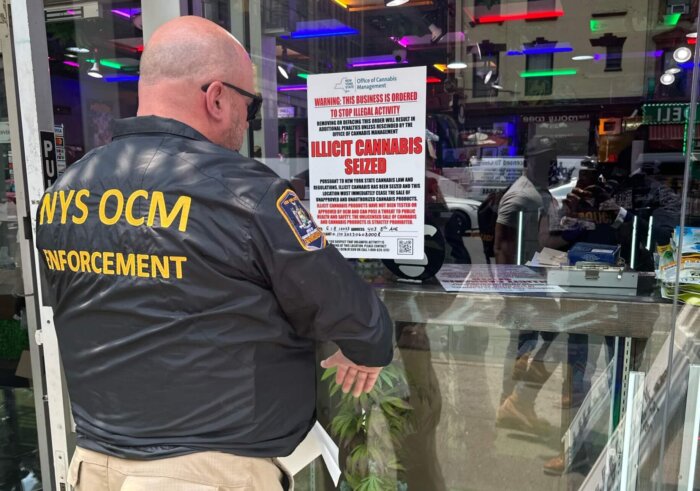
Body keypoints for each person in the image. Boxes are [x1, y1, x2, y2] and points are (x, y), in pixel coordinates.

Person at [35, 17, 393, 491]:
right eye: (251, 104)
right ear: (217, 97)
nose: (249, 120)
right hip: (208, 473)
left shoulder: (63, 192)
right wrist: (365, 348)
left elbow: (83, 305)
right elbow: (358, 318)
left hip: (95, 467)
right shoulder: (245, 194)